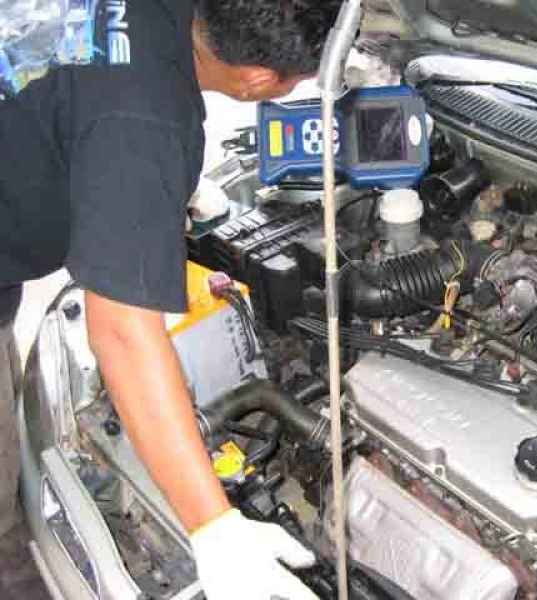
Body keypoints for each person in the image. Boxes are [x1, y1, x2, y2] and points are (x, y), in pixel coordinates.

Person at [0, 1, 341, 598]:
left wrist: (140, 187)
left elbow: (88, 97)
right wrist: (214, 527)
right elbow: (122, 332)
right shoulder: (147, 124)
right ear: (261, 80)